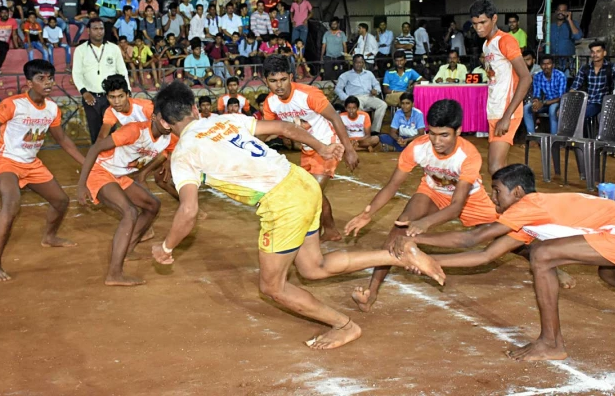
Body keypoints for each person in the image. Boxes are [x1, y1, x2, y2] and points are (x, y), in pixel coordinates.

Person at [150, 80, 445, 350]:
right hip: (301, 182)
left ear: (164, 122)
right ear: (192, 108)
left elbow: (188, 211)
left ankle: (344, 325)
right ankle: (399, 255)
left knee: (272, 286)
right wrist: (322, 148)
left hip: (283, 204)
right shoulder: (224, 120)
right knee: (313, 267)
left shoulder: (184, 153)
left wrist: (165, 248)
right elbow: (284, 128)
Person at [391, 163, 615, 361]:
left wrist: (419, 237)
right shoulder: (530, 215)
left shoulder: (528, 206)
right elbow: (486, 255)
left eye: (497, 192)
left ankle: (551, 344)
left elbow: (473, 238)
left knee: (542, 255)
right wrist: (426, 259)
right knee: (612, 275)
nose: (494, 199)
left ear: (517, 193)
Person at [346, 99, 500, 310]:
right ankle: (371, 292)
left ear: (459, 131)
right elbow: (392, 186)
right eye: (432, 133)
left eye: (444, 135)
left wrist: (425, 223)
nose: (436, 141)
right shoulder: (418, 147)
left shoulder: (469, 155)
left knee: (506, 233)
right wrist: (369, 213)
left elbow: (456, 205)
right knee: (399, 229)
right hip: (431, 191)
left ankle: (545, 261)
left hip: (469, 199)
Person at [0, 60, 84, 282]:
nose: (47, 83)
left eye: (50, 78)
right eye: (40, 79)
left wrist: (87, 164)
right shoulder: (12, 104)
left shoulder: (53, 108)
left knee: (61, 201)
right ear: (28, 82)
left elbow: (63, 140)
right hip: (6, 161)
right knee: (11, 204)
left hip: (32, 163)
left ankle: (49, 237)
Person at [77, 101, 176, 286]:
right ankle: (114, 273)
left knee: (152, 205)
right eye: (165, 120)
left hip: (119, 175)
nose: (168, 124)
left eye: (172, 121)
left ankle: (128, 248)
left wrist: (158, 167)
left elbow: (167, 153)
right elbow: (95, 148)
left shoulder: (167, 137)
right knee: (129, 212)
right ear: (154, 117)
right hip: (101, 171)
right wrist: (81, 184)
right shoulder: (134, 130)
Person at [261, 55, 359, 242]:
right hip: (307, 149)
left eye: (283, 79)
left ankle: (310, 233)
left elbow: (335, 118)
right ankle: (330, 230)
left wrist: (349, 149)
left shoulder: (308, 94)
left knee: (310, 190)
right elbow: (267, 130)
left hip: (329, 145)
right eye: (273, 81)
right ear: (266, 81)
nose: (279, 85)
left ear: (291, 77)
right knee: (315, 192)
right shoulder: (270, 103)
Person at [471, 0, 532, 175]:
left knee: (495, 167)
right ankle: (510, 201)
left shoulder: (506, 41)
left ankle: (513, 200)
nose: (479, 28)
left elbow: (526, 78)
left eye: (483, 22)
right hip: (495, 109)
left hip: (506, 111)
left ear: (494, 18)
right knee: (501, 169)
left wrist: (507, 115)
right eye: (475, 24)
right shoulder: (486, 44)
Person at [72, 18, 131, 143]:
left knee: (111, 129)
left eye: (101, 28)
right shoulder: (80, 50)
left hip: (110, 96)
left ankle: (112, 157)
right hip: (90, 97)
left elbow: (122, 71)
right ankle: (98, 158)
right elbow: (76, 74)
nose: (99, 32)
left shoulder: (114, 48)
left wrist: (127, 91)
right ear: (88, 30)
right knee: (95, 130)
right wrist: (84, 92)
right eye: (95, 29)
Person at [334, 54, 388, 134]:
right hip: (355, 97)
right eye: (357, 62)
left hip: (369, 96)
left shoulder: (369, 74)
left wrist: (376, 90)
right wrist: (347, 98)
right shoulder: (346, 75)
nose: (359, 64)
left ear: (364, 63)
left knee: (383, 104)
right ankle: (361, 130)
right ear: (353, 63)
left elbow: (376, 85)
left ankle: (374, 130)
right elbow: (338, 89)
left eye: (361, 62)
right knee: (357, 106)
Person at [570, 41, 615, 120]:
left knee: (582, 114)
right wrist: (568, 103)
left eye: (598, 52)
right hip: (586, 101)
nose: (595, 55)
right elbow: (574, 87)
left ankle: (583, 132)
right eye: (593, 52)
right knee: (570, 111)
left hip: (603, 102)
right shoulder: (585, 68)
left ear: (604, 53)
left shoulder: (613, 67)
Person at [525, 54, 567, 134]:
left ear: (553, 65)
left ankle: (554, 139)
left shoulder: (560, 76)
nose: (546, 66)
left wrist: (543, 103)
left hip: (558, 103)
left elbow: (562, 97)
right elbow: (536, 94)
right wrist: (535, 102)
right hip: (544, 103)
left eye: (548, 64)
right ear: (540, 65)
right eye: (543, 64)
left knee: (552, 109)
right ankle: (532, 137)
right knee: (527, 108)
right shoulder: (538, 76)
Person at [0, 6, 20, 75]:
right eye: (2, 13)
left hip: (4, 42)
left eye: (6, 13)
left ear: (8, 13)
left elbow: (14, 35)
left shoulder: (13, 21)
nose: (4, 14)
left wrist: (16, 46)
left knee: (4, 50)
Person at [549, 4, 583, 70]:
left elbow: (578, 36)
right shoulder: (550, 27)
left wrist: (569, 20)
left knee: (567, 79)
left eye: (564, 11)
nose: (561, 12)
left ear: (568, 12)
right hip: (553, 62)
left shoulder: (573, 24)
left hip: (568, 63)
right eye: (559, 10)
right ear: (556, 12)